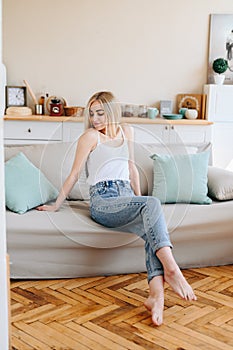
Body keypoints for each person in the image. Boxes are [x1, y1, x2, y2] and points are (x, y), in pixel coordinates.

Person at [37, 91, 197, 326]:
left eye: (100, 113)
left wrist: (140, 205)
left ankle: (156, 295)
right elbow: (74, 174)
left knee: (150, 227)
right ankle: (172, 270)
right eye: (92, 114)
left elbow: (132, 168)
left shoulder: (127, 131)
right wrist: (55, 205)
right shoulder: (90, 137)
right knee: (151, 205)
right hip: (103, 201)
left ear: (112, 112)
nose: (95, 119)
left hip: (126, 196)